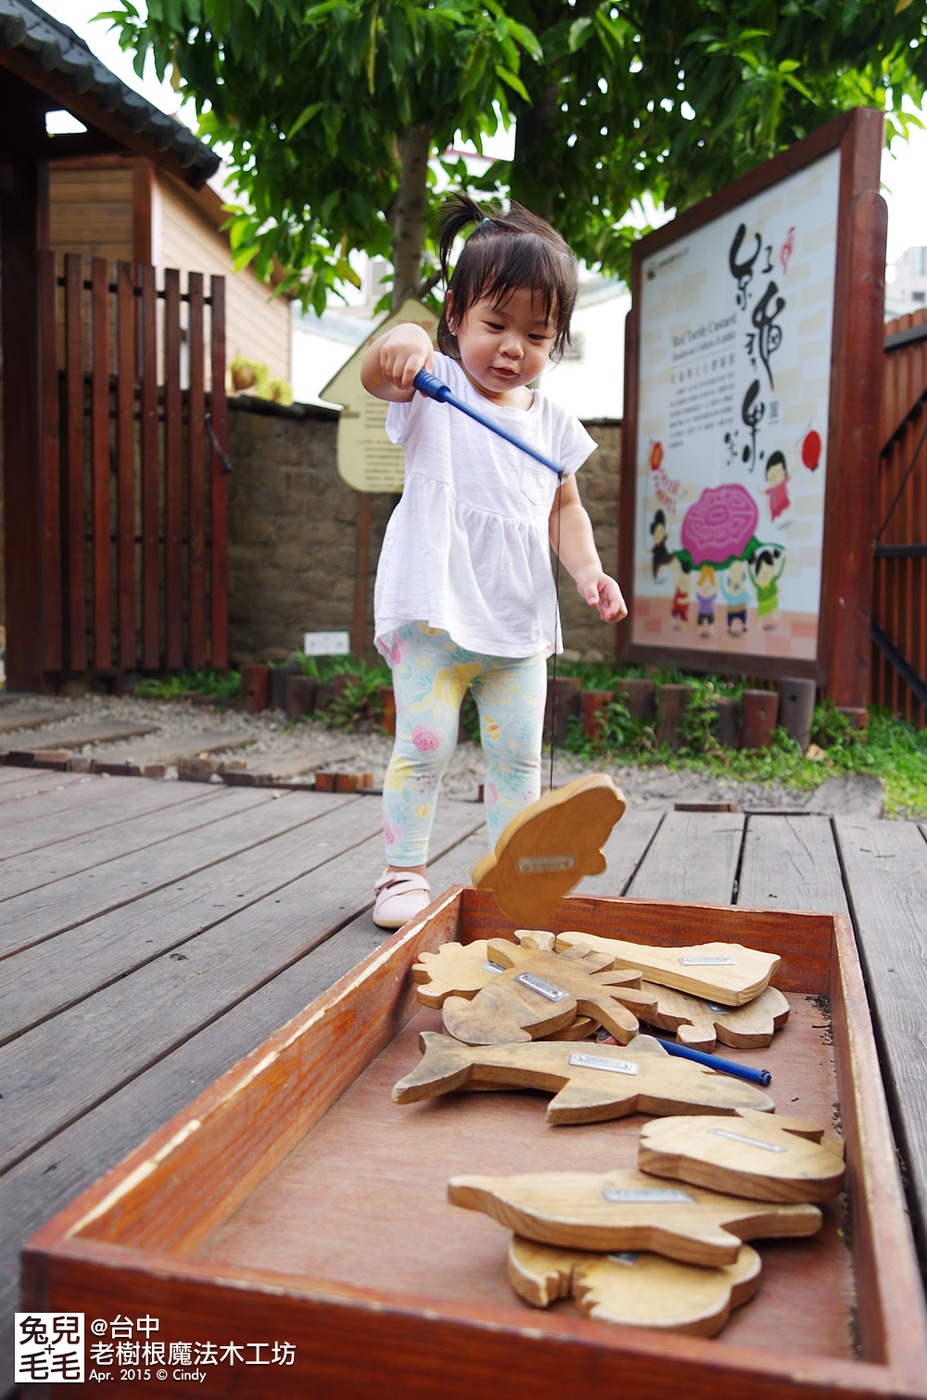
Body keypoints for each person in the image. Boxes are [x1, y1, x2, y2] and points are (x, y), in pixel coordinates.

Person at [360, 193, 627, 929]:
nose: (513, 347)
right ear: (454, 315)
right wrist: (406, 348)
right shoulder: (431, 389)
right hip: (432, 612)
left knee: (518, 764)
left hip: (515, 625)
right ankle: (400, 873)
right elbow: (380, 377)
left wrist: (586, 572)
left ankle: (517, 883)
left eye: (536, 335)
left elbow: (563, 509)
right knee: (426, 743)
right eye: (494, 324)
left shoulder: (553, 424)